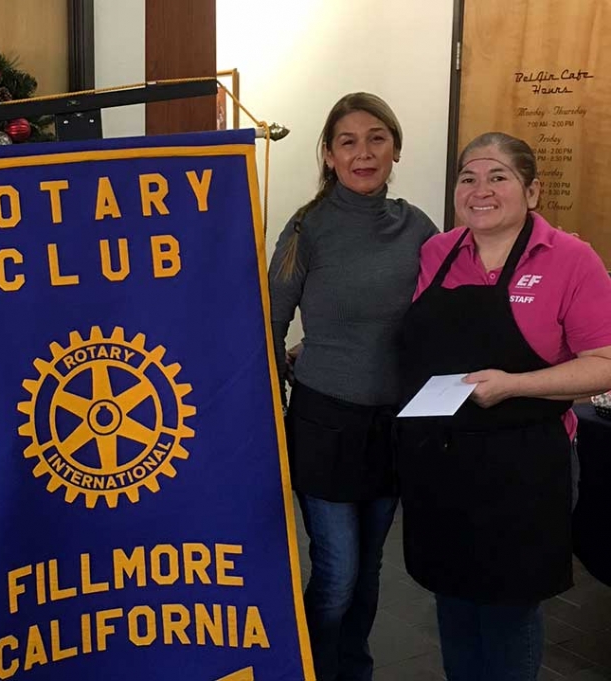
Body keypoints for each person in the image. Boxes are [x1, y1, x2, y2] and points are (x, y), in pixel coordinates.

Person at [396, 132, 611, 681]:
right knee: (452, 599)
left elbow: (605, 363)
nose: (480, 189)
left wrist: (514, 384)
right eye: (468, 177)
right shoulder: (436, 252)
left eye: (498, 177)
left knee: (510, 609)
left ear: (532, 191)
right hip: (442, 460)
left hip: (527, 465)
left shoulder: (571, 258)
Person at [269, 92, 437, 680]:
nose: (363, 152)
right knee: (337, 574)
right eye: (348, 141)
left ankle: (354, 670)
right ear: (329, 154)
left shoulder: (420, 228)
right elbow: (269, 319)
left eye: (376, 139)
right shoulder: (307, 227)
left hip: (391, 426)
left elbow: (448, 315)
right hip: (324, 423)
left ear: (395, 149)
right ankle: (310, 668)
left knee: (368, 575)